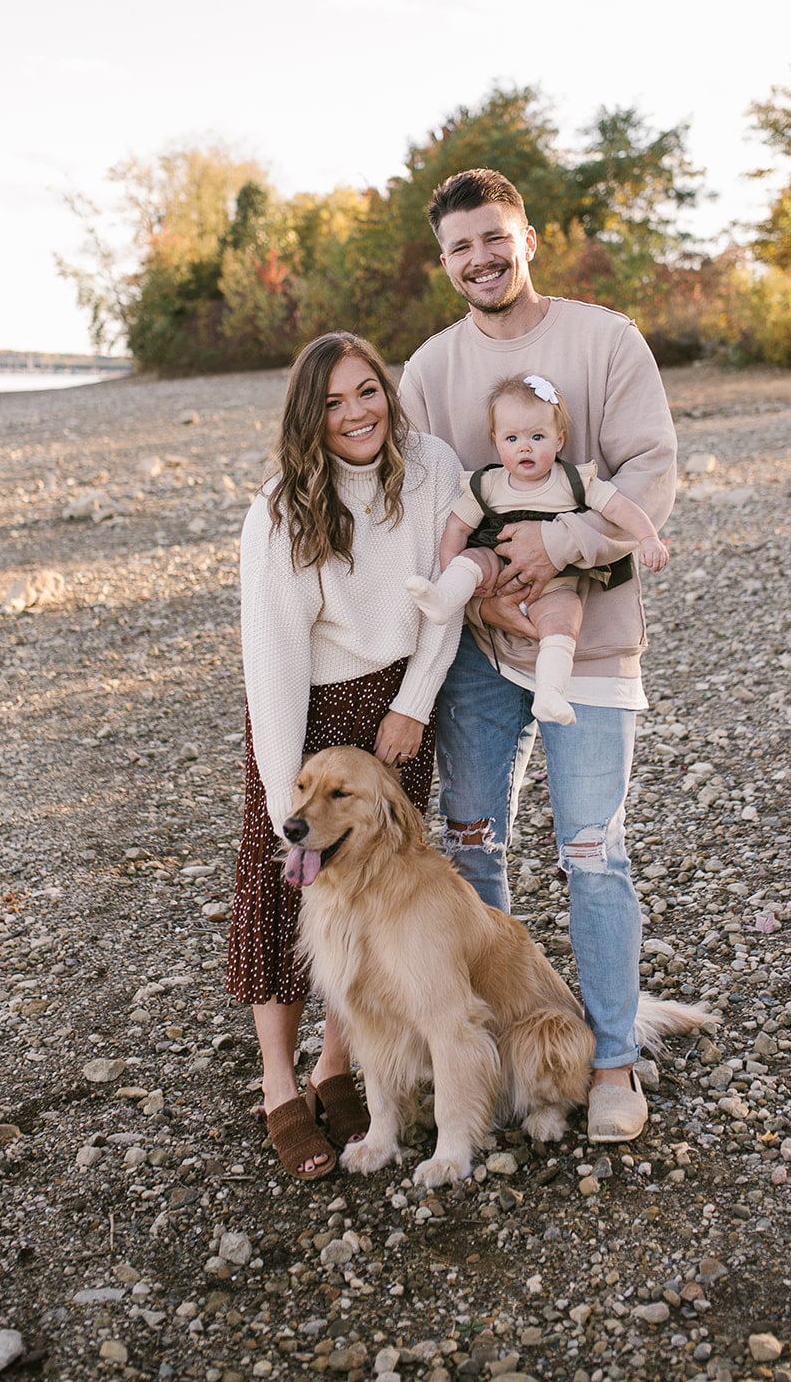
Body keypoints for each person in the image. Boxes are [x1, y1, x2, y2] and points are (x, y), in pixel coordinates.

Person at [399, 168, 677, 1143]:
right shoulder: (428, 371)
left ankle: (609, 1062)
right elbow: (419, 507)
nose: (478, 258)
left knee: (592, 852)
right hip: (478, 650)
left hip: (586, 641)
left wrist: (557, 547)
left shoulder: (605, 341)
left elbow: (649, 468)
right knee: (471, 848)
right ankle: (501, 1046)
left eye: (492, 237)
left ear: (529, 237)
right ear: (444, 262)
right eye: (457, 247)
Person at [227, 332, 462, 1179]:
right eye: (332, 403)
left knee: (374, 889)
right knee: (282, 885)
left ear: (387, 393)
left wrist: (411, 707)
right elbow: (275, 659)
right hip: (308, 711)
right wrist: (286, 800)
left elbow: (448, 601)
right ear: (308, 418)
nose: (356, 412)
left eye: (367, 391)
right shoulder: (282, 509)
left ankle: (338, 1064)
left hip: (397, 706)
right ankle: (281, 1086)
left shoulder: (429, 465)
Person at [406, 372, 668, 725]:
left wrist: (648, 537)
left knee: (565, 618)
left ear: (559, 441)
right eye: (512, 438)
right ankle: (444, 599)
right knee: (473, 559)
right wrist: (450, 567)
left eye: (537, 436)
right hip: (496, 564)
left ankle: (550, 693)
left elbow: (620, 507)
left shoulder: (573, 480)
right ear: (496, 442)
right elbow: (457, 526)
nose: (524, 447)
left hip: (556, 581)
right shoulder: (489, 484)